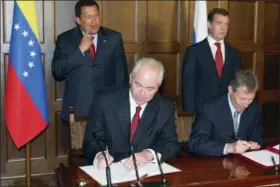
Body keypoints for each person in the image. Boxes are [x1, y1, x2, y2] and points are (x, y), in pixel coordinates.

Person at [51, 0, 128, 148]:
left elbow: (121, 76)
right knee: (79, 159)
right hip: (78, 110)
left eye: (97, 16)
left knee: (108, 156)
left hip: (109, 110)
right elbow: (57, 72)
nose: (94, 22)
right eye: (88, 17)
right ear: (78, 20)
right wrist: (79, 51)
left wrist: (122, 108)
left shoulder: (114, 38)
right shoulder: (65, 40)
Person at [83, 57, 179, 169]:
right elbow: (91, 141)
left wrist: (148, 155)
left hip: (145, 169)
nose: (142, 93)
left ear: (158, 88)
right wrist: (100, 155)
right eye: (138, 85)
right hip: (111, 168)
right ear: (130, 78)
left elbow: (170, 144)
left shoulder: (165, 108)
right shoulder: (105, 101)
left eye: (149, 89)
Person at [188, 70, 264, 156]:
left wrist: (254, 144)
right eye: (242, 99)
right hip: (214, 163)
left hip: (242, 163)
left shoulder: (254, 108)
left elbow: (258, 138)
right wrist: (229, 147)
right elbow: (195, 144)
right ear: (230, 90)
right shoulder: (209, 108)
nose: (246, 104)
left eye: (250, 99)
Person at [181, 8, 241, 113]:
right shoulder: (193, 51)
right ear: (209, 25)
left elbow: (236, 85)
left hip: (226, 112)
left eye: (226, 24)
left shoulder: (234, 54)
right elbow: (188, 85)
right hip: (201, 112)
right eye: (219, 23)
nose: (223, 28)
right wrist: (189, 113)